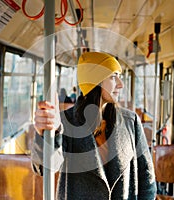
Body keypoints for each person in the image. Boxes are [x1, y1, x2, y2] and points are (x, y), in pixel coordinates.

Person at [32, 52, 157, 199]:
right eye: (113, 76)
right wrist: (47, 134)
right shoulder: (65, 123)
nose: (120, 84)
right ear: (94, 82)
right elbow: (47, 166)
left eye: (119, 76)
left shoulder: (131, 122)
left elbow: (147, 177)